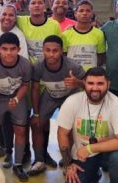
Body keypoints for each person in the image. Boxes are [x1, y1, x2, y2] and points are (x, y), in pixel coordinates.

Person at [30, 35, 85, 175]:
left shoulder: (73, 66)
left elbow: (89, 85)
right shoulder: (38, 65)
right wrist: (36, 113)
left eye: (55, 50)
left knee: (71, 128)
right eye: (47, 50)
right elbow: (35, 88)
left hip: (69, 97)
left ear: (61, 51)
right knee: (36, 124)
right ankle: (39, 160)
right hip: (49, 96)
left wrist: (78, 83)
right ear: (43, 50)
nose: (51, 54)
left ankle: (69, 161)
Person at [0, 33, 32, 182]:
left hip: (16, 97)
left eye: (12, 49)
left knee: (21, 130)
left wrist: (16, 98)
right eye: (5, 49)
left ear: (19, 49)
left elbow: (25, 85)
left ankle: (17, 164)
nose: (8, 53)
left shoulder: (25, 64)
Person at [0, 0, 60, 64]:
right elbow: (2, 17)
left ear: (44, 6)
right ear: (29, 7)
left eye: (40, 3)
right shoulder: (22, 21)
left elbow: (59, 49)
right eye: (33, 3)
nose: (36, 5)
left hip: (46, 67)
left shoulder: (54, 25)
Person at [62, 0, 106, 70]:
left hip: (91, 77)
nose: (84, 13)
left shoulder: (99, 34)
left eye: (88, 11)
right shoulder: (65, 34)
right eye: (81, 11)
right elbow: (63, 57)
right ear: (75, 14)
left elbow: (100, 57)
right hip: (72, 76)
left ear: (92, 14)